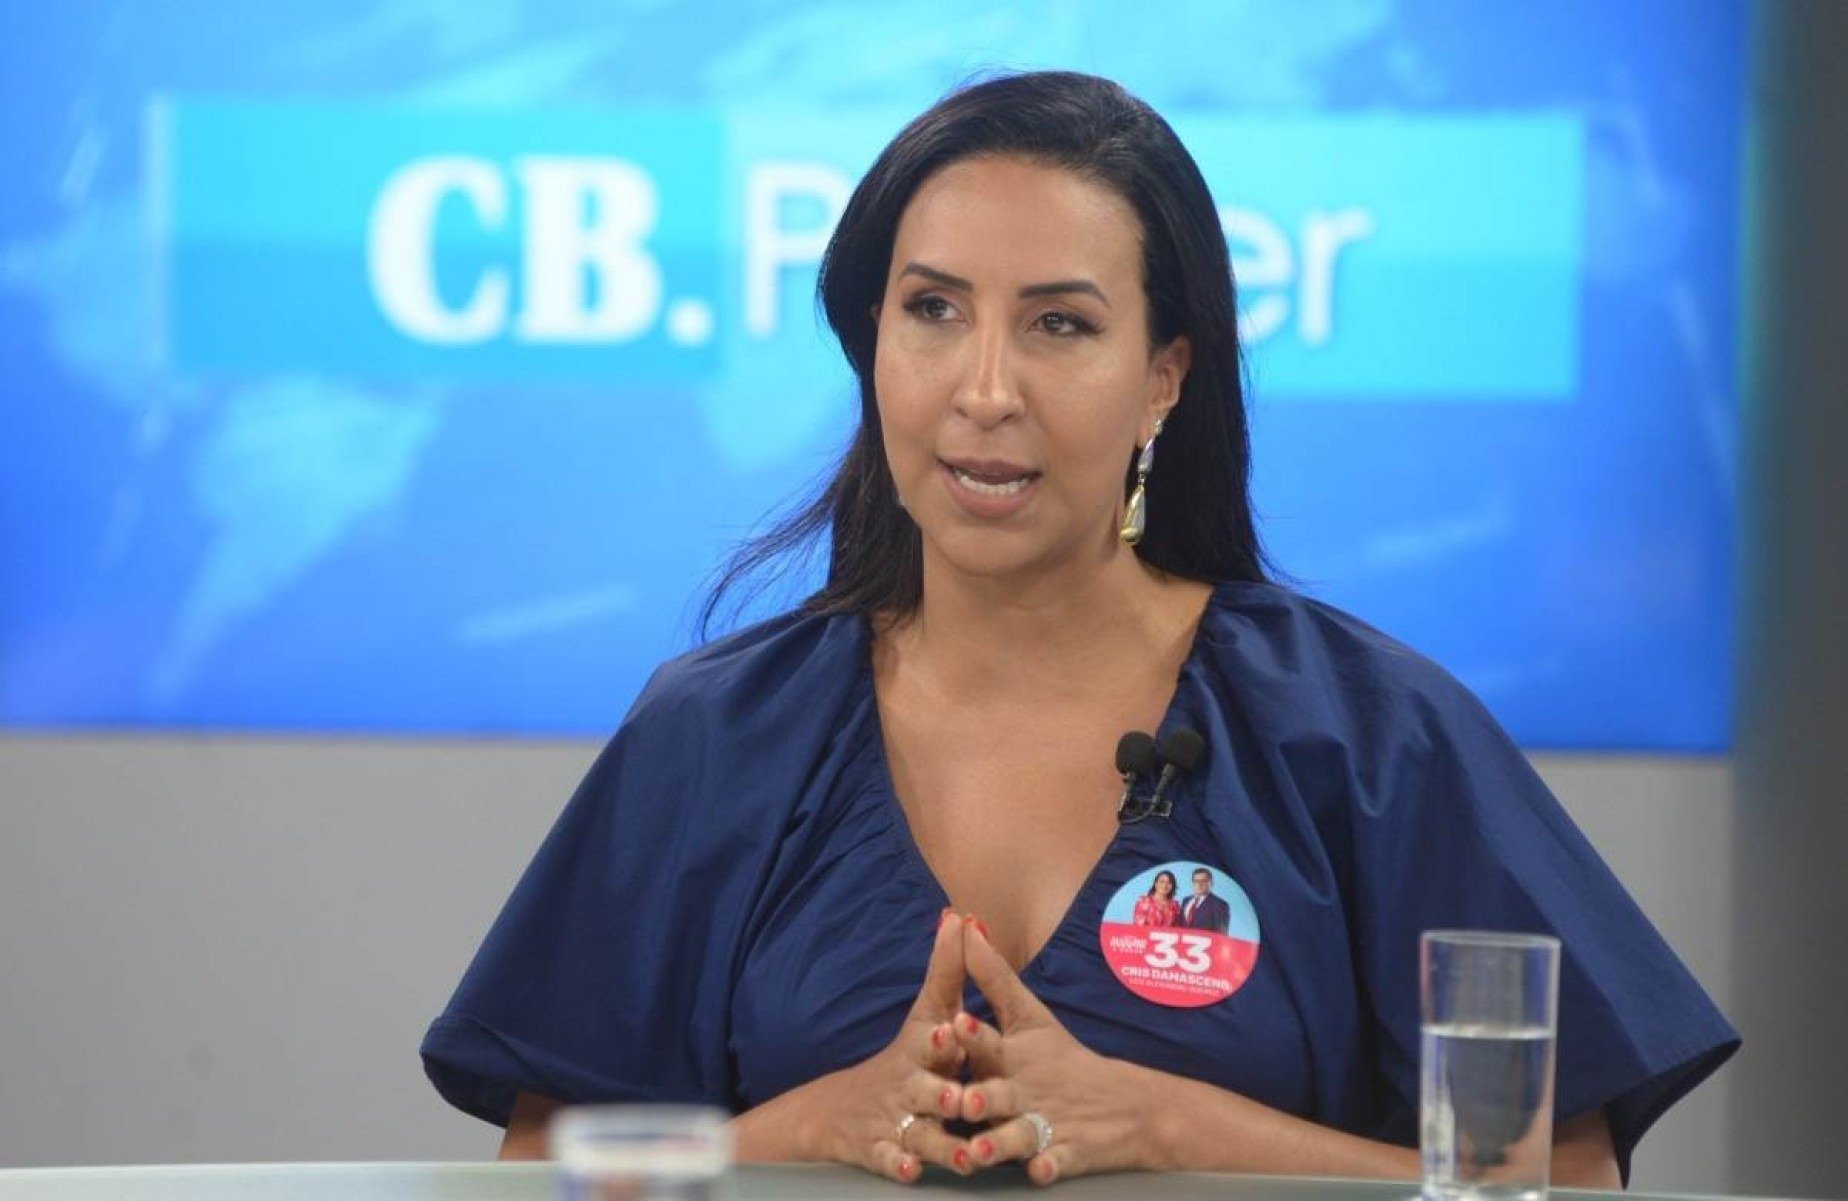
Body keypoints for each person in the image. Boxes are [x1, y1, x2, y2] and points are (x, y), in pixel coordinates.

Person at [421, 71, 1737, 1188]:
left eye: (1059, 324)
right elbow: (538, 1172)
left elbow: (1562, 1175)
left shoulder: (1370, 735)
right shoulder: (714, 735)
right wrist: (806, 1132)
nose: (985, 388)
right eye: (933, 310)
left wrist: (1170, 1128)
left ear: (1164, 376)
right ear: (871, 342)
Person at [1178, 867, 1230, 935]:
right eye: (1196, 881)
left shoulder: (1220, 904)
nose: (1199, 884)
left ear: (1211, 883)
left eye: (1203, 881)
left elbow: (1222, 934)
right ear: (1193, 883)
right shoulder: (1186, 901)